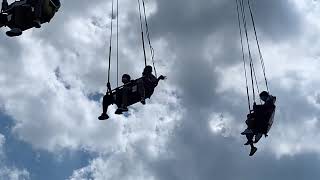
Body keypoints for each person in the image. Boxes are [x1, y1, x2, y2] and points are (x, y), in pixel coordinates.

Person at [241, 91, 276, 156]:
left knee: (250, 119)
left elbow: (264, 109)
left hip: (263, 124)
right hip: (262, 123)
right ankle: (252, 147)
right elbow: (263, 109)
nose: (261, 99)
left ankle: (252, 133)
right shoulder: (269, 102)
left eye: (262, 98)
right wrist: (255, 109)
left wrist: (255, 107)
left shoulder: (270, 103)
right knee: (249, 130)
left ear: (265, 96)